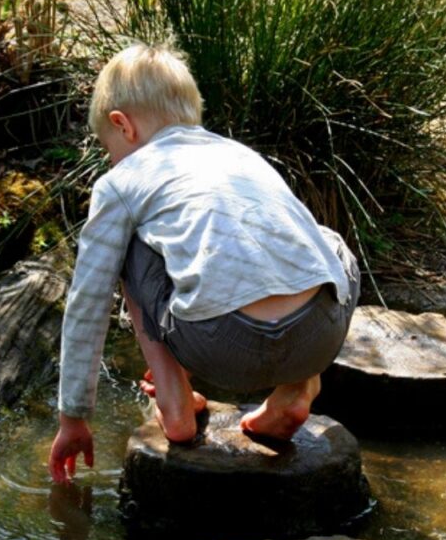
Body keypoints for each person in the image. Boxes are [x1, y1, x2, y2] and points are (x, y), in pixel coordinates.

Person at [48, 42, 360, 483]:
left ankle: (174, 401)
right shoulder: (242, 156)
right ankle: (296, 388)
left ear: (123, 125)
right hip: (318, 335)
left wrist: (73, 417)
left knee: (129, 248)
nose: (111, 159)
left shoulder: (122, 181)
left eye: (109, 147)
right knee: (327, 244)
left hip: (223, 346)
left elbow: (88, 301)